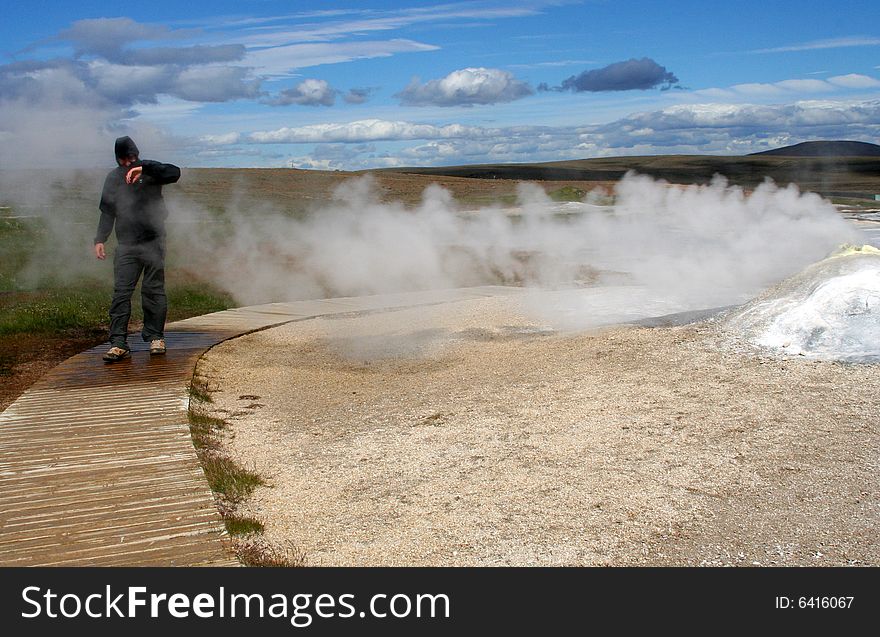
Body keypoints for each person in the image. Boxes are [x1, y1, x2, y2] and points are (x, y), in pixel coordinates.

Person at [94, 136, 180, 362]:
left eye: (132, 158)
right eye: (123, 159)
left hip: (153, 241)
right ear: (118, 159)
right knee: (121, 292)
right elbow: (107, 211)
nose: (128, 163)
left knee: (154, 290)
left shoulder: (151, 171)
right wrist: (100, 239)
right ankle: (118, 343)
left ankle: (155, 337)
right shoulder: (113, 178)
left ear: (137, 155)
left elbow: (175, 173)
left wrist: (146, 167)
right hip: (127, 245)